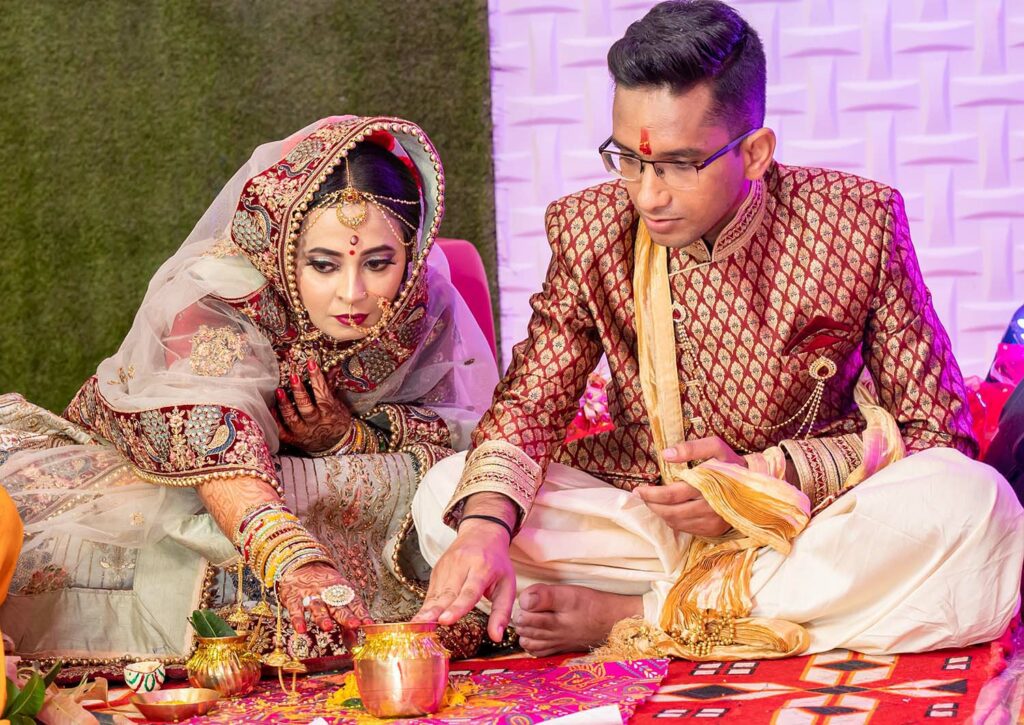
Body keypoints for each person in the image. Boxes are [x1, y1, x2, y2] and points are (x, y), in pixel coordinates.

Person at [412, 0, 1024, 660]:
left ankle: (642, 614)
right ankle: (764, 608)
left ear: (755, 153)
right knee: (447, 495)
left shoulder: (857, 222)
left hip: (811, 522)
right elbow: (531, 406)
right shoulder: (590, 229)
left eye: (679, 164)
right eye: (628, 159)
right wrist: (484, 528)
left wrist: (763, 480)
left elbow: (939, 433)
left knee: (974, 503)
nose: (648, 195)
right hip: (650, 520)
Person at [0, 115, 498, 670]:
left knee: (448, 487)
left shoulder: (421, 307)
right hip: (187, 479)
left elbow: (469, 433)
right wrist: (295, 562)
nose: (352, 292)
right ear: (283, 249)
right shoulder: (219, 298)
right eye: (323, 265)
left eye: (379, 263)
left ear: (411, 251)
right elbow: (211, 434)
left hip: (335, 472)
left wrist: (347, 436)